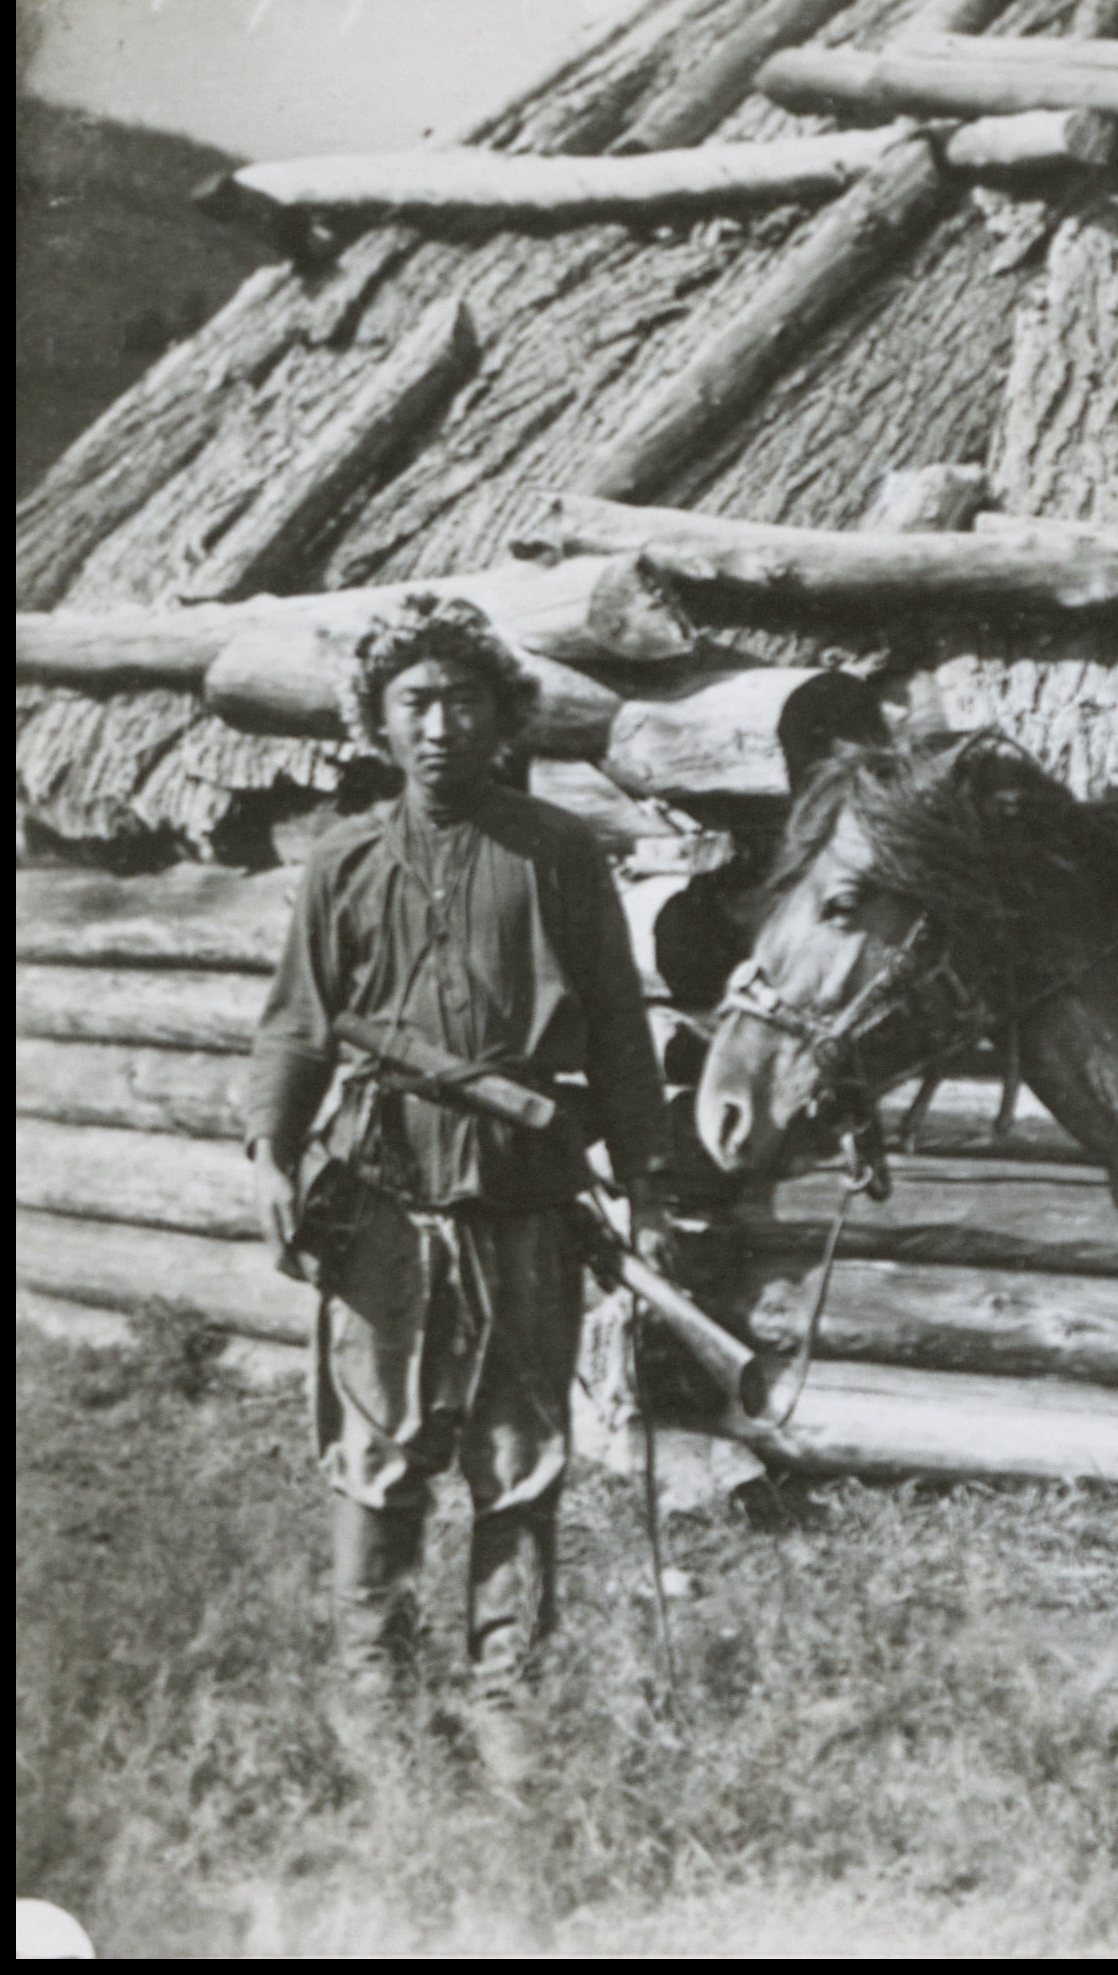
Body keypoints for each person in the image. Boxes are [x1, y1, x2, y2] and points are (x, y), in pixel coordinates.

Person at [244, 595, 673, 1784]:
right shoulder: (344, 861)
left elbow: (625, 1033)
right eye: (414, 705)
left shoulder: (560, 854)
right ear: (378, 725)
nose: (439, 726)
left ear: (501, 717)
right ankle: (374, 1703)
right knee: (378, 1453)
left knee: (519, 1454)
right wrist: (275, 1154)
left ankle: (508, 1707)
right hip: (379, 1192)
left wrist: (643, 1168)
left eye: (462, 702)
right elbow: (296, 1024)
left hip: (526, 1193)